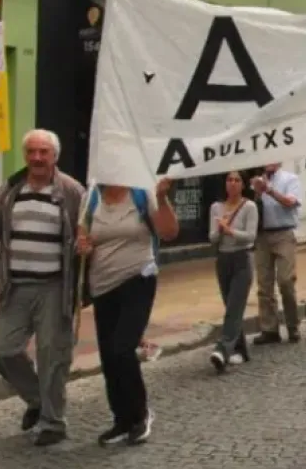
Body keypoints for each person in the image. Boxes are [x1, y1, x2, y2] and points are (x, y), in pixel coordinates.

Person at [0, 129, 84, 446]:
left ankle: (53, 422)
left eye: (43, 152)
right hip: (15, 287)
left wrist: (86, 243)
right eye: (32, 152)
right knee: (5, 351)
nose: (36, 157)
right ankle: (38, 400)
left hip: (54, 288)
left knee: (53, 356)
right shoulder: (10, 188)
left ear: (55, 157)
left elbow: (87, 229)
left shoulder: (72, 190)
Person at [76, 178, 179, 446]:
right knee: (109, 355)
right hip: (102, 285)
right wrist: (83, 246)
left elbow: (169, 232)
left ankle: (141, 414)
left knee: (123, 348)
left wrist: (162, 197)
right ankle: (121, 419)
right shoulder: (92, 197)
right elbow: (82, 237)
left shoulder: (142, 193)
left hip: (138, 279)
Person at [208, 171, 259, 373]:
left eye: (237, 180)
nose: (233, 183)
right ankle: (241, 350)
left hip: (242, 259)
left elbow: (250, 236)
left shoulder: (250, 207)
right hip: (223, 259)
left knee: (234, 307)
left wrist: (231, 231)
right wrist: (220, 230)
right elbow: (211, 238)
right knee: (230, 305)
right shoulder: (216, 207)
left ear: (243, 184)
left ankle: (222, 350)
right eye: (229, 179)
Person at [251, 163, 303, 345]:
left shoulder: (290, 179)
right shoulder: (256, 179)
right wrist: (256, 193)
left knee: (286, 281)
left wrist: (269, 191)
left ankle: (292, 326)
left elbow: (290, 202)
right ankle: (269, 329)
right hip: (262, 235)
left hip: (284, 233)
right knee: (264, 284)